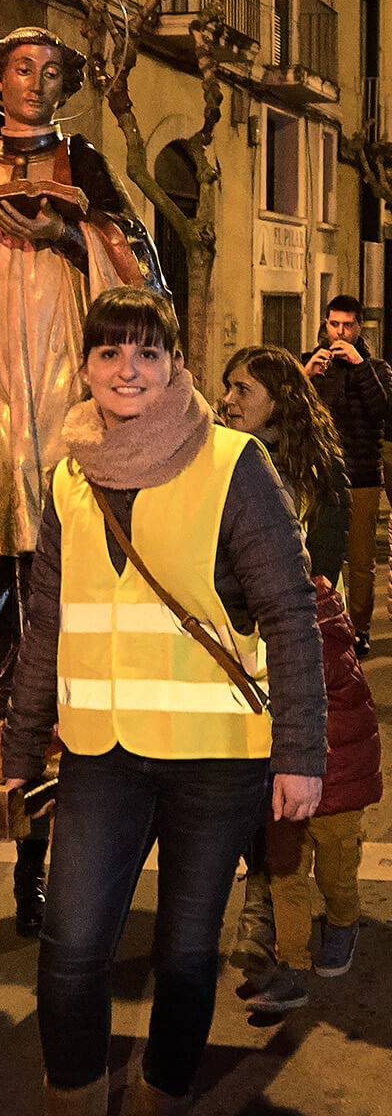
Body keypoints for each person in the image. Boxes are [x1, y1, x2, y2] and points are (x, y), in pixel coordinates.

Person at [1, 288, 325, 1116]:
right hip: (100, 751)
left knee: (185, 957)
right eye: (110, 353)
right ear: (86, 367)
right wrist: (20, 745)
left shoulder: (233, 462)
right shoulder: (69, 474)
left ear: (175, 363)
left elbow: (290, 612)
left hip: (214, 757)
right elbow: (47, 619)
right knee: (70, 953)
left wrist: (300, 752)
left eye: (147, 352)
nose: (128, 370)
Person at [0, 26, 168, 962]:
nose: (37, 82)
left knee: (56, 670)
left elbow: (144, 277)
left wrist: (70, 233)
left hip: (62, 410)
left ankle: (35, 877)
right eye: (22, 68)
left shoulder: (85, 163)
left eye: (53, 72)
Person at [221, 345, 378, 1014]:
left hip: (301, 641)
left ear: (278, 399)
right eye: (226, 387)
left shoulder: (318, 474)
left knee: (327, 846)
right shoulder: (220, 463)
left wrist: (294, 619)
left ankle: (333, 919)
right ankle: (278, 938)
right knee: (270, 822)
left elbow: (322, 568)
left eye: (241, 389)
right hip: (239, 648)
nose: (227, 399)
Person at [303, 295, 392, 656]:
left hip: (361, 475)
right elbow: (294, 412)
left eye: (348, 325)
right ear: (325, 324)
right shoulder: (312, 363)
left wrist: (360, 365)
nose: (340, 332)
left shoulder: (377, 368)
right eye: (334, 324)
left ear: (358, 327)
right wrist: (305, 375)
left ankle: (359, 629)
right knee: (317, 555)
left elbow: (384, 410)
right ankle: (322, 627)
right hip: (320, 475)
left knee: (360, 561)